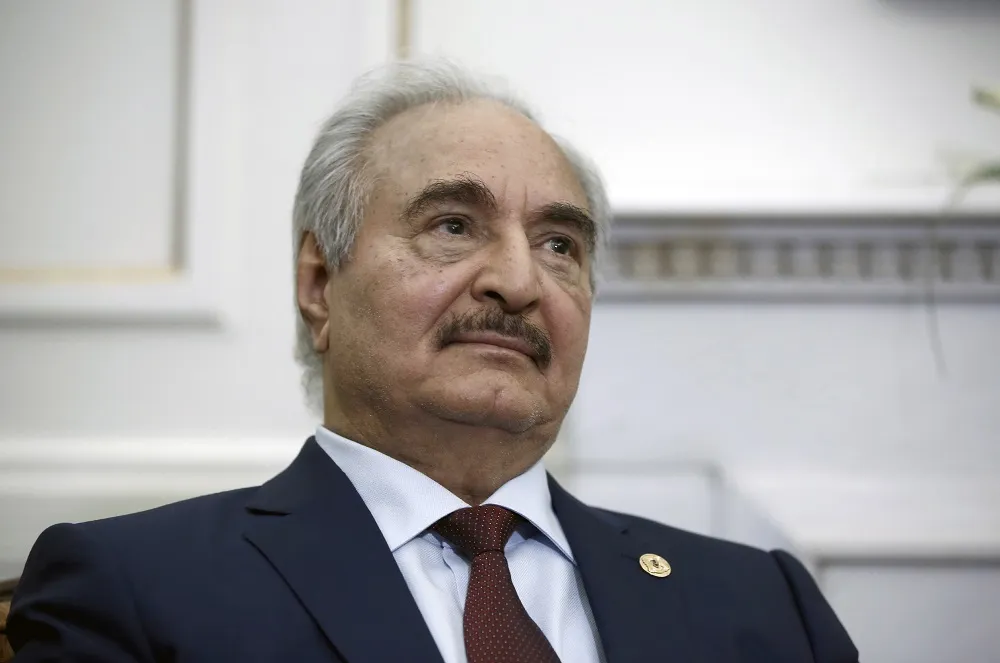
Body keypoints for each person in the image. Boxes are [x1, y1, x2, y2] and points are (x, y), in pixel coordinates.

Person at [9, 60, 858, 663]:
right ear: (319, 284)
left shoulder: (764, 605)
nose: (519, 281)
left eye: (559, 244)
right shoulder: (135, 587)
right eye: (453, 225)